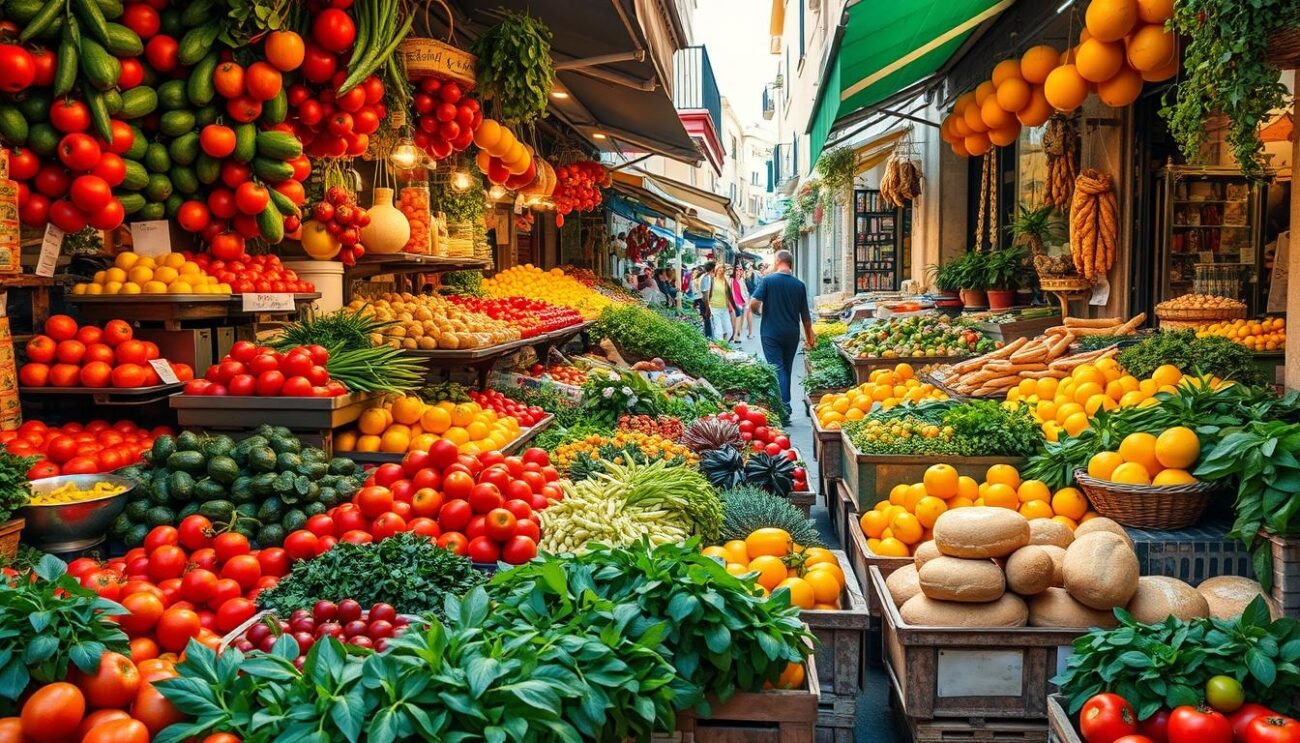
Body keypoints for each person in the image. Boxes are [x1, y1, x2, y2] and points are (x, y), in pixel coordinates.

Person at [749, 250, 814, 416]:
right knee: (786, 368)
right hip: (791, 333)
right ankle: (785, 403)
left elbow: (753, 303)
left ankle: (784, 406)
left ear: (778, 261)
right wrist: (810, 339)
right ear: (790, 263)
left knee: (777, 368)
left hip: (771, 332)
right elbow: (806, 317)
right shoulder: (799, 285)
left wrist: (761, 312)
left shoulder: (768, 281)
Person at [709, 262, 733, 341]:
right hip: (714, 308)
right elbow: (707, 294)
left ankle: (724, 346)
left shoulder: (725, 281)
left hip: (724, 308)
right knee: (719, 332)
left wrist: (729, 305)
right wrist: (708, 306)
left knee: (729, 331)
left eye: (722, 270)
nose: (721, 271)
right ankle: (720, 348)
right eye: (719, 269)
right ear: (716, 271)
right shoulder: (712, 280)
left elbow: (728, 294)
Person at [729, 264, 752, 341]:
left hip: (743, 302)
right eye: (737, 270)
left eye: (740, 270)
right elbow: (728, 292)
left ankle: (738, 333)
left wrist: (747, 301)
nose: (738, 271)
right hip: (735, 302)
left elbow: (746, 292)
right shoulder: (731, 280)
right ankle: (735, 334)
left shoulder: (742, 280)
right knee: (735, 319)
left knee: (742, 319)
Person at [696, 262, 716, 338]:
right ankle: (709, 338)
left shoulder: (706, 276)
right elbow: (705, 295)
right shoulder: (706, 277)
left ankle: (709, 337)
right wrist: (708, 308)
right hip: (704, 302)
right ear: (712, 269)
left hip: (704, 301)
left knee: (707, 321)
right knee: (707, 321)